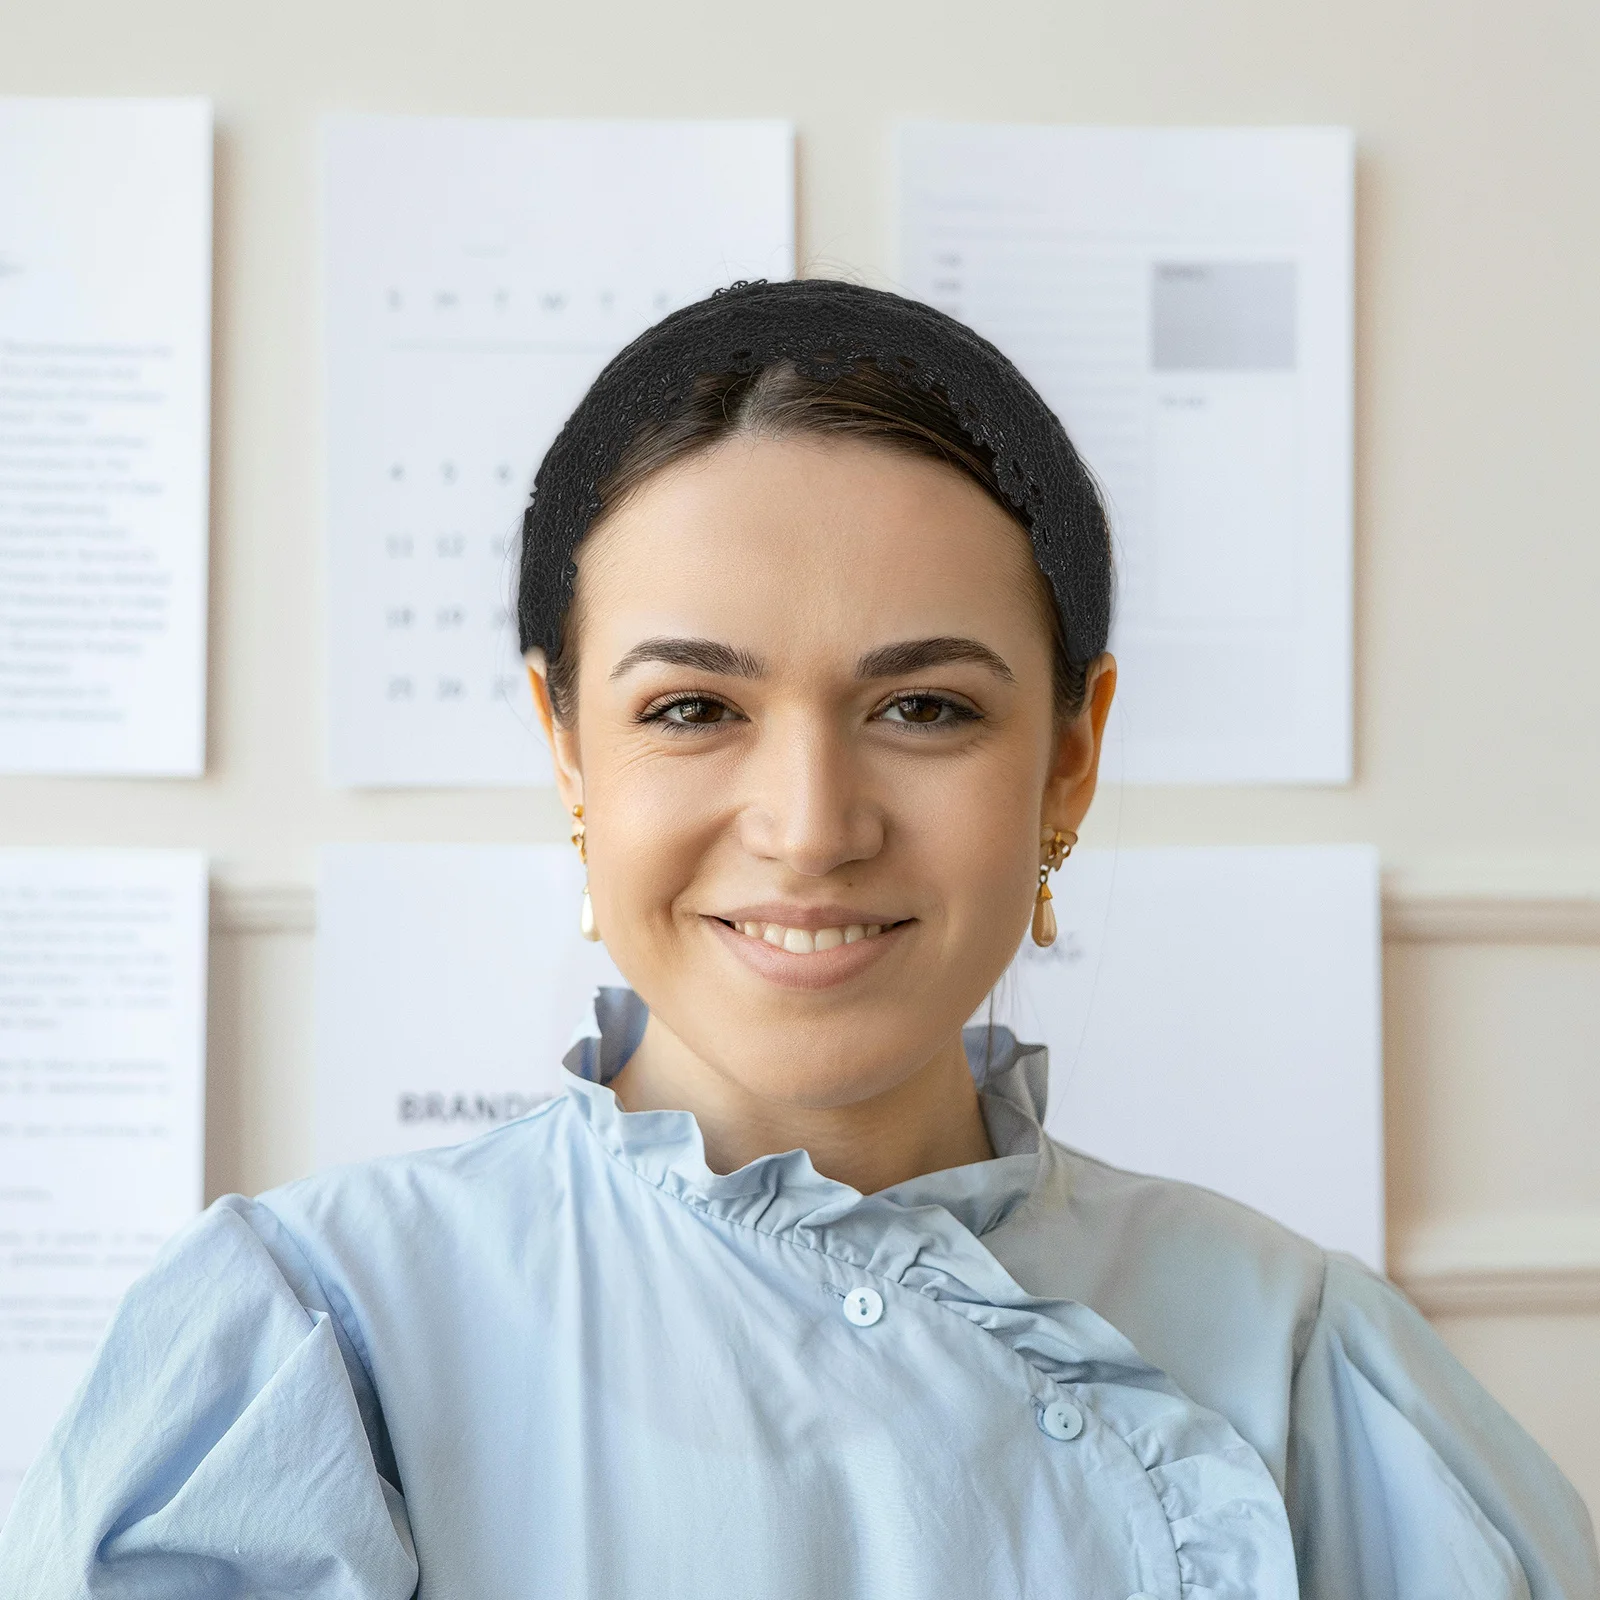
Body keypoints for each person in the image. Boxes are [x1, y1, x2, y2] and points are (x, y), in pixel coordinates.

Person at [2, 279, 1595, 1599]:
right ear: (568, 749)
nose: (812, 825)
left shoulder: (1299, 1357)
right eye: (693, 708)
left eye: (926, 708)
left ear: (1070, 758)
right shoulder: (319, 1341)